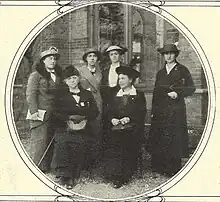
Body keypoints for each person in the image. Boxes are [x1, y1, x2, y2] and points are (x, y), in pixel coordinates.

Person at [148, 44, 196, 177]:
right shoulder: (161, 72)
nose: (168, 56)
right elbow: (156, 92)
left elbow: (191, 88)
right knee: (161, 135)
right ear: (163, 56)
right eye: (166, 54)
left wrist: (178, 93)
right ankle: (159, 165)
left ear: (175, 55)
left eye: (171, 53)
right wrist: (153, 110)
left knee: (174, 136)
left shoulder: (182, 70)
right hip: (161, 109)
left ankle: (172, 168)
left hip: (176, 109)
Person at [53, 65, 98, 189]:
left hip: (84, 128)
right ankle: (66, 175)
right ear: (65, 81)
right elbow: (55, 112)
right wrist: (68, 118)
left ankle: (76, 173)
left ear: (78, 79)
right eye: (69, 79)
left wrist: (84, 118)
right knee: (64, 143)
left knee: (81, 143)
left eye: (74, 78)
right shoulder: (60, 95)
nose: (72, 81)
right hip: (65, 127)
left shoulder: (87, 94)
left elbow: (95, 111)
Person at [103, 65, 146, 188]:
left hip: (133, 130)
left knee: (126, 144)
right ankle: (113, 173)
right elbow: (109, 111)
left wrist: (130, 118)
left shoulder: (138, 95)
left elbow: (141, 112)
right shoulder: (114, 94)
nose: (120, 81)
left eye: (123, 78)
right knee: (113, 142)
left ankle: (122, 175)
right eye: (119, 78)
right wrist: (113, 119)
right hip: (116, 129)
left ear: (130, 80)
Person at [26, 46, 62, 173]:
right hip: (40, 114)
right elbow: (31, 94)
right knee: (39, 141)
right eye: (50, 58)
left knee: (51, 140)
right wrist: (34, 111)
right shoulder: (36, 75)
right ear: (43, 61)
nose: (53, 61)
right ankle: (35, 168)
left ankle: (46, 166)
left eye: (54, 58)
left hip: (54, 113)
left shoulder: (58, 75)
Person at [77, 47, 103, 167]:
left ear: (97, 59)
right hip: (85, 103)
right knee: (84, 129)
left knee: (97, 130)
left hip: (98, 103)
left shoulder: (101, 72)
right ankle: (83, 161)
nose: (92, 58)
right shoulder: (80, 71)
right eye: (89, 56)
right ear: (86, 59)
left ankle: (95, 159)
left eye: (94, 56)